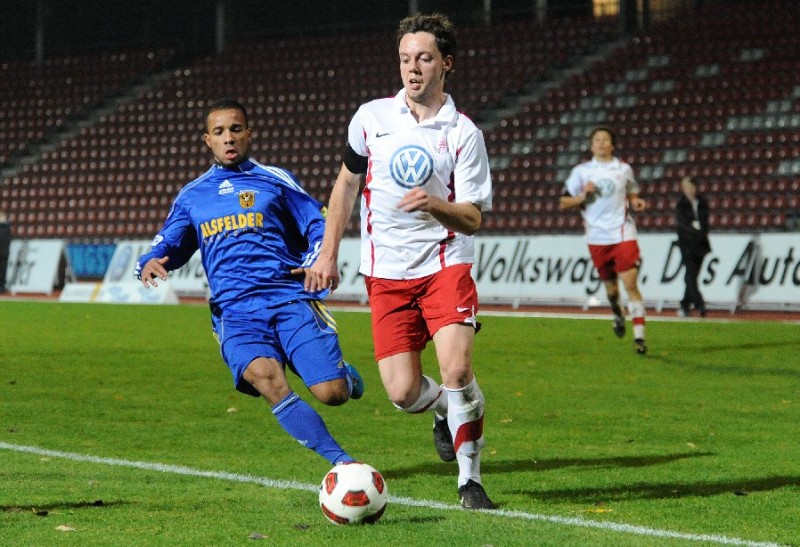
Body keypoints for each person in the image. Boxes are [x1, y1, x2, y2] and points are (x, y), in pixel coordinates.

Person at [308, 14, 495, 510]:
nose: (412, 68)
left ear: (446, 64)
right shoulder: (371, 119)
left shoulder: (463, 133)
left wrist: (435, 205)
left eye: (424, 58)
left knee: (456, 370)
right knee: (402, 392)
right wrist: (328, 253)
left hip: (444, 262)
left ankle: (470, 482)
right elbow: (346, 186)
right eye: (405, 59)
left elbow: (473, 218)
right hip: (386, 272)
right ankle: (445, 411)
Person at [136, 98, 364, 466]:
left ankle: (344, 378)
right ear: (207, 140)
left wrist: (315, 260)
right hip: (235, 312)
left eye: (236, 129)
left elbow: (317, 224)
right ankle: (344, 464)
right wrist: (149, 261)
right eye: (219, 132)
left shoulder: (275, 180)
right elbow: (168, 245)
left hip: (288, 298)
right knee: (268, 380)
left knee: (332, 393)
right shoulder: (193, 196)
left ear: (249, 134)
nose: (228, 138)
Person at [559, 126, 649, 355]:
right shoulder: (581, 172)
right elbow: (563, 202)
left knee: (630, 283)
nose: (601, 143)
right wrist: (583, 196)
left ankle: (639, 338)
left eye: (605, 139)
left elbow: (632, 191)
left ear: (612, 145)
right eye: (597, 140)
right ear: (591, 146)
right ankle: (618, 313)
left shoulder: (623, 169)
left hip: (622, 233)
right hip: (597, 237)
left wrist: (635, 201)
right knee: (612, 290)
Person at [675, 176, 711, 317]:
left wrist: (700, 232)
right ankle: (700, 304)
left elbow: (705, 223)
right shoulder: (681, 205)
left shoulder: (702, 203)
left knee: (692, 277)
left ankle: (684, 305)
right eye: (685, 187)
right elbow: (682, 224)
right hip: (687, 245)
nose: (688, 190)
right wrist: (695, 229)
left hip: (700, 245)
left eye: (690, 186)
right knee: (690, 276)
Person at [0, 211, 10, 293]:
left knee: (2, 271)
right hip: (4, 253)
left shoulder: (6, 228)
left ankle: (2, 287)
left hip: (3, 254)